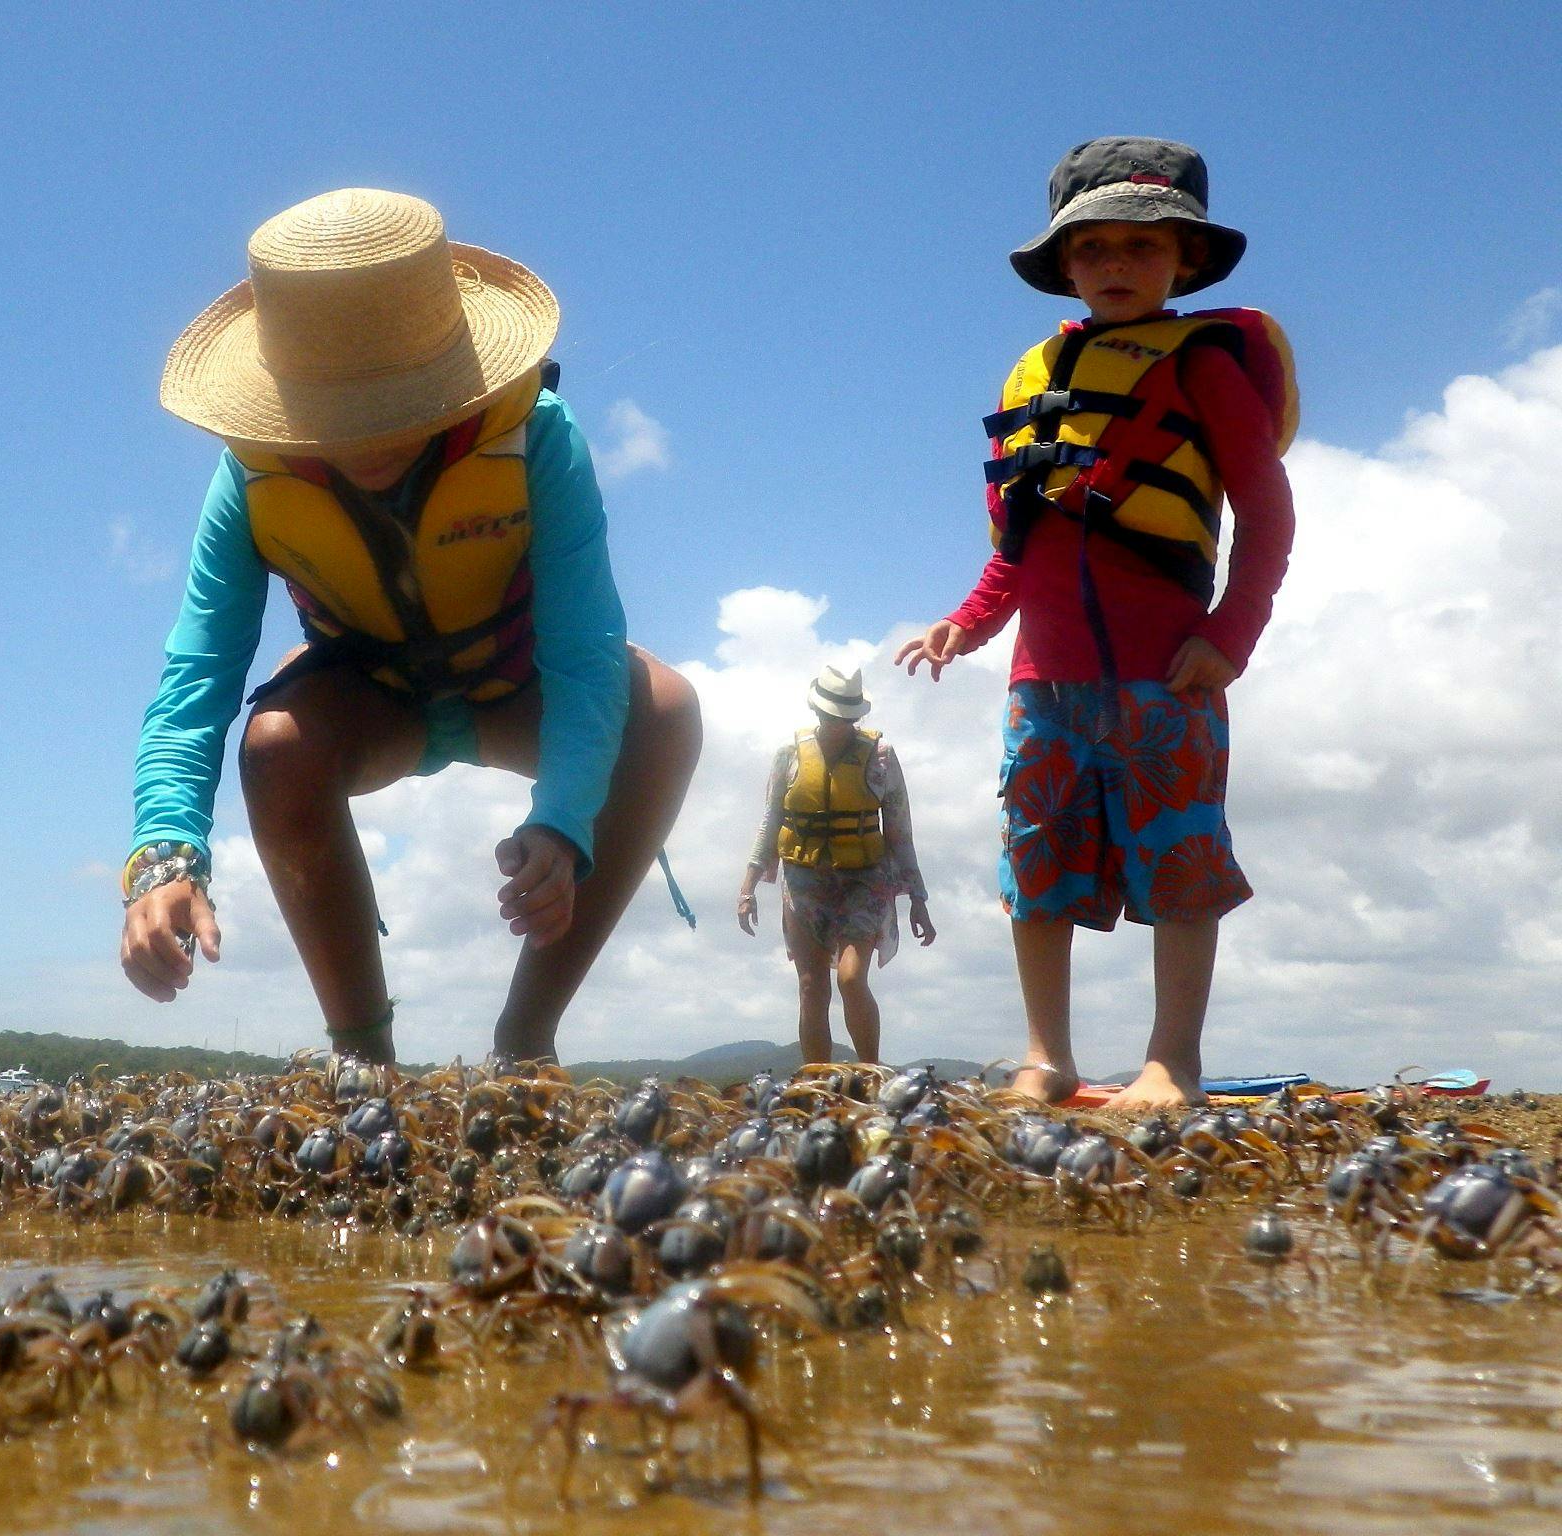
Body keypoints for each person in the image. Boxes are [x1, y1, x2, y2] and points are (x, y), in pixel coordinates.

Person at [119, 189, 702, 1065]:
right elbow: (197, 678)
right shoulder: (247, 482)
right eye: (338, 416)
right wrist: (165, 858)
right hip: (376, 699)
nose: (370, 439)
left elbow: (584, 653)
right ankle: (363, 1054)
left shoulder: (537, 436)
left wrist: (564, 822)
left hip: (519, 686)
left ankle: (527, 1035)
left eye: (401, 404)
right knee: (276, 743)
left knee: (662, 708)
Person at [896, 138, 1297, 1111]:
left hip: (1170, 674)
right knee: (1034, 865)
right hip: (1044, 682)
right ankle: (1047, 1056)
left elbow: (1267, 513)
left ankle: (1171, 1061)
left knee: (1181, 865)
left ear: (1183, 261)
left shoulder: (1203, 367)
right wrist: (965, 623)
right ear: (1063, 264)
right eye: (1092, 249)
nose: (1115, 266)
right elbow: (1014, 545)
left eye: (1140, 246)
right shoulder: (1034, 373)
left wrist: (1230, 635)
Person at [737, 666, 934, 1065]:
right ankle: (817, 1082)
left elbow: (899, 830)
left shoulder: (880, 756)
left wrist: (917, 898)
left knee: (850, 977)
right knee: (811, 985)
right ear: (817, 710)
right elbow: (769, 820)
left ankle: (870, 1071)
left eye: (845, 716)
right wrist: (748, 887)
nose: (837, 723)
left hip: (865, 880)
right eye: (831, 715)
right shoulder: (789, 754)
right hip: (803, 878)